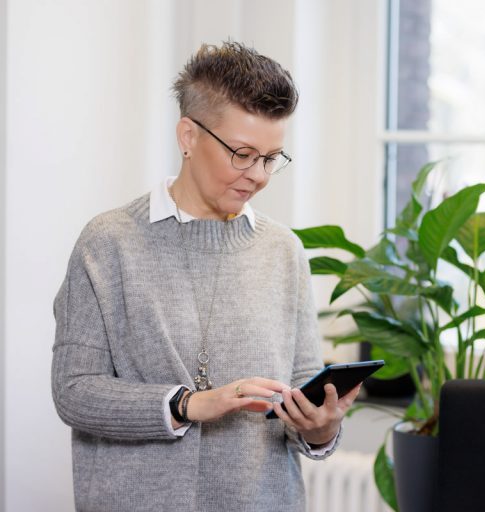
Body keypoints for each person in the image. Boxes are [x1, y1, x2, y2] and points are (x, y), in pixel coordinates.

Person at [51, 41, 359, 512]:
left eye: (271, 158)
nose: (258, 175)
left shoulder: (283, 251)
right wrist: (189, 404)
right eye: (242, 153)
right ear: (188, 137)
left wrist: (321, 428)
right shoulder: (108, 242)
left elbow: (301, 398)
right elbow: (74, 392)